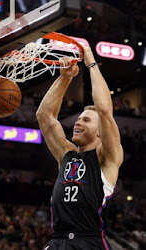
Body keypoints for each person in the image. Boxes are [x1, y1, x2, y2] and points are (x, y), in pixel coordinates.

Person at [36, 46, 123, 250]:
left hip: (88, 241)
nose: (77, 123)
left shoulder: (108, 157)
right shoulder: (65, 154)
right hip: (57, 241)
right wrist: (65, 78)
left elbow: (103, 110)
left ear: (100, 131)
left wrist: (91, 63)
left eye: (85, 120)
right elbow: (45, 117)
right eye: (77, 119)